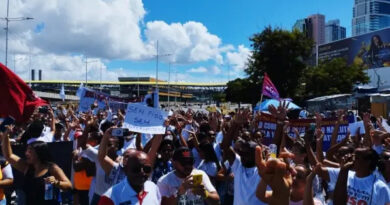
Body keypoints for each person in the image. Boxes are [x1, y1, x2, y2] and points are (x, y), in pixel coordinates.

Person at [1, 126, 72, 205]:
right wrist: (6, 135)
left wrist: (56, 182)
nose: (26, 153)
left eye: (30, 151)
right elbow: (9, 156)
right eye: (27, 150)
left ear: (39, 153)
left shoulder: (52, 168)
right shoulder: (26, 167)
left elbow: (68, 185)